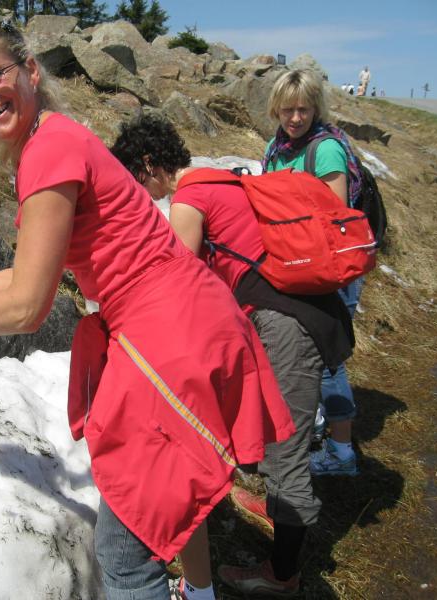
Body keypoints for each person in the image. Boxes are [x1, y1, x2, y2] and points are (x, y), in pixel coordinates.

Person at [0, 15, 295, 600]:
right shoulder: (56, 138)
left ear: (30, 70)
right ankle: (199, 593)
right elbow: (28, 270)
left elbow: (26, 306)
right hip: (190, 318)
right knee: (172, 489)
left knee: (125, 554)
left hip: (165, 336)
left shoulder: (48, 151)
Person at [110, 115, 354, 598]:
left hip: (287, 322)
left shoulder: (189, 199)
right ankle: (280, 514)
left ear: (149, 165)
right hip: (297, 311)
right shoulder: (222, 178)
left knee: (287, 446)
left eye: (138, 179)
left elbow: (176, 285)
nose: (143, 192)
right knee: (276, 429)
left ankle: (282, 574)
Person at [261, 70, 364, 477]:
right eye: (288, 109)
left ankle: (342, 453)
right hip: (295, 265)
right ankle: (315, 430)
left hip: (329, 269)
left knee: (328, 359)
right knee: (301, 353)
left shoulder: (326, 150)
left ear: (316, 108)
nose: (295, 118)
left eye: (303, 109)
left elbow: (336, 216)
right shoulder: (275, 148)